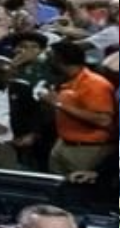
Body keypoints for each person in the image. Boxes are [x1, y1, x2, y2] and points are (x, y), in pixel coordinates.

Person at [38, 41, 116, 177]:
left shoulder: (95, 84)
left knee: (83, 195)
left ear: (59, 60)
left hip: (87, 151)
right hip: (62, 145)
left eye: (49, 57)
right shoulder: (66, 80)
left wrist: (59, 104)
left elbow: (103, 120)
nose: (46, 61)